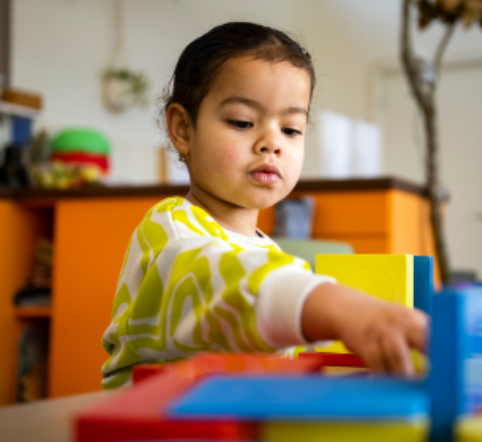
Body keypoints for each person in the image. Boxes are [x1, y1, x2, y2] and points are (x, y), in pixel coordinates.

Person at [101, 22, 428, 390]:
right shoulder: (170, 230)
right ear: (183, 129)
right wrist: (340, 307)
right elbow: (222, 282)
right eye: (242, 122)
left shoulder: (268, 251)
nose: (272, 143)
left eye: (291, 129)